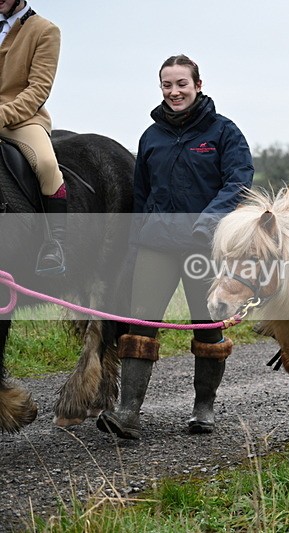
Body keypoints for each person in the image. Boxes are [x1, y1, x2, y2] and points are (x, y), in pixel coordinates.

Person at [97, 55, 254, 439]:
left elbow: (238, 183)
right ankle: (128, 413)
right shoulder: (151, 137)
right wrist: (135, 244)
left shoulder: (224, 132)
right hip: (156, 244)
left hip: (204, 246)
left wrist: (207, 222)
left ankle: (203, 408)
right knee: (140, 323)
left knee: (208, 326)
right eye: (167, 85)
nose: (174, 91)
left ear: (198, 85)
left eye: (181, 83)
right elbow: (142, 195)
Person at [0, 0, 67, 276]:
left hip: (22, 119)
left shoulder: (45, 30)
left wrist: (2, 115)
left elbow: (38, 90)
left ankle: (54, 244)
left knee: (47, 165)